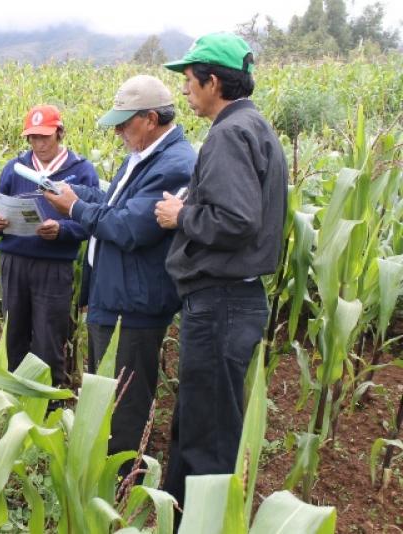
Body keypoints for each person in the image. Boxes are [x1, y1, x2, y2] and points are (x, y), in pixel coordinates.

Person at [155, 33, 288, 510]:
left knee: (207, 437)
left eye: (190, 81)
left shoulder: (230, 133)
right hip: (231, 300)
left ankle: (204, 521)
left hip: (221, 303)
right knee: (201, 421)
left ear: (213, 82)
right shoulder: (252, 126)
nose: (186, 91)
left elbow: (236, 220)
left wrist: (180, 217)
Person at [43, 76, 195, 466]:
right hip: (114, 297)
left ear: (149, 118)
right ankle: (104, 476)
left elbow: (129, 227)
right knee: (105, 395)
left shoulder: (175, 164)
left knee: (125, 406)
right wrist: (76, 193)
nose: (118, 132)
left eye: (123, 123)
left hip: (134, 305)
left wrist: (75, 209)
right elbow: (114, 203)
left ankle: (123, 486)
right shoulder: (144, 155)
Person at [0, 105, 99, 386]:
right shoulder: (15, 168)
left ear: (60, 133)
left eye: (45, 137)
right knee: (15, 334)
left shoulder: (81, 171)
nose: (39, 144)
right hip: (14, 263)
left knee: (49, 337)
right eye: (33, 138)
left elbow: (93, 220)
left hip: (53, 266)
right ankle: (15, 399)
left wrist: (61, 230)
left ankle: (48, 408)